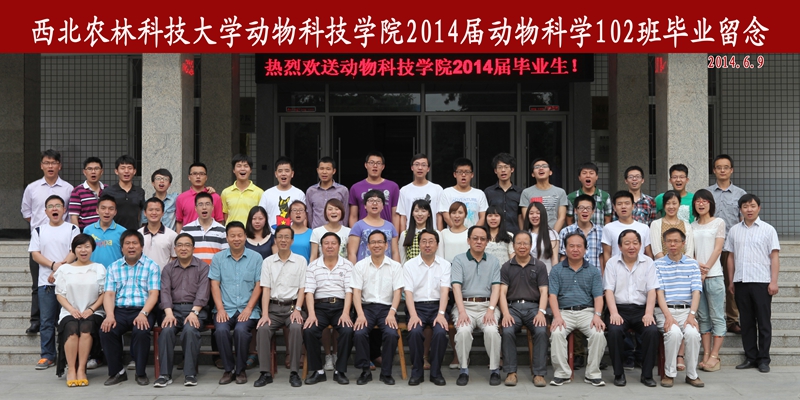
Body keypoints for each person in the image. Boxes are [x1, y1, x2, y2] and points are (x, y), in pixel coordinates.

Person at [725, 194, 780, 373]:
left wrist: (774, 281)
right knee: (746, 322)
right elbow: (731, 257)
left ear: (759, 208)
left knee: (763, 322)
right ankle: (750, 357)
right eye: (745, 206)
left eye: (752, 206)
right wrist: (731, 280)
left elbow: (774, 256)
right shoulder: (734, 230)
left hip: (762, 282)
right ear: (740, 209)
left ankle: (763, 359)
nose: (749, 209)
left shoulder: (768, 230)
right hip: (741, 281)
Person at [21, 149, 74, 335]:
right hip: (40, 244)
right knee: (37, 284)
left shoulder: (68, 189)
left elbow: (70, 214)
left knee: (62, 282)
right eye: (46, 163)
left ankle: (61, 318)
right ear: (41, 165)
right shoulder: (32, 188)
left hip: (62, 244)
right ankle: (36, 320)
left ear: (60, 166)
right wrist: (43, 229)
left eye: (53, 163)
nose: (50, 166)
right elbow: (27, 213)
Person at [99, 230, 160, 386]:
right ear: (122, 247)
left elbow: (153, 294)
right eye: (127, 243)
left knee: (141, 330)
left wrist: (143, 313)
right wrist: (109, 315)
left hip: (143, 309)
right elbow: (109, 294)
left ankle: (140, 372)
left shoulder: (152, 266)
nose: (131, 247)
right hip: (120, 310)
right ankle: (117, 372)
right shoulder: (113, 267)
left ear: (141, 246)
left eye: (134, 243)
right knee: (106, 330)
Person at [548, 231, 607, 387]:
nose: (575, 249)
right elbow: (552, 296)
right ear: (565, 248)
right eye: (571, 246)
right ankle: (562, 373)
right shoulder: (556, 270)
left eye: (579, 246)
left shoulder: (593, 271)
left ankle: (592, 374)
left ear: (585, 249)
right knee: (556, 333)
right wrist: (557, 316)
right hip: (564, 312)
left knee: (598, 334)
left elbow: (598, 297)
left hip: (587, 312)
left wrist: (597, 315)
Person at [29, 195, 79, 370]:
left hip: (68, 283)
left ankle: (68, 355)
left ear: (64, 210)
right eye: (50, 206)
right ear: (45, 211)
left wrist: (59, 269)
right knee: (47, 321)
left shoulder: (72, 228)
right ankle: (47, 355)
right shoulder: (39, 230)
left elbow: (75, 251)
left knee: (69, 320)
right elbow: (35, 254)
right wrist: (52, 265)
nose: (54, 209)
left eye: (58, 205)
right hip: (46, 283)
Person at [604, 230, 660, 387]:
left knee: (652, 331)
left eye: (635, 243)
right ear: (620, 246)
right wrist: (614, 313)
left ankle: (647, 375)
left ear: (641, 245)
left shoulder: (648, 262)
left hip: (641, 309)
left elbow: (652, 291)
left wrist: (649, 313)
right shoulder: (612, 263)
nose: (631, 246)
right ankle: (619, 373)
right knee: (614, 331)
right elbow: (608, 290)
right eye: (627, 243)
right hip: (618, 308)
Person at [209, 221, 263, 385]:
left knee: (241, 331)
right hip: (225, 308)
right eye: (232, 236)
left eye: (240, 235)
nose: (236, 239)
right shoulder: (218, 258)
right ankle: (228, 369)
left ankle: (240, 370)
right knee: (221, 330)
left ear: (245, 236)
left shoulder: (256, 258)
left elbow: (259, 285)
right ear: (227, 238)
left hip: (249, 309)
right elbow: (214, 284)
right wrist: (220, 309)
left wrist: (249, 308)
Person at [255, 225, 308, 388]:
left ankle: (294, 372)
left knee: (296, 327)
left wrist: (298, 309)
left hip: (293, 307)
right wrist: (265, 314)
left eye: (286, 237)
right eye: (280, 237)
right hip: (273, 309)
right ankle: (265, 373)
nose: (283, 240)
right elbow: (265, 289)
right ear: (275, 240)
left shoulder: (301, 261)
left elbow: (302, 288)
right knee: (263, 328)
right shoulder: (268, 262)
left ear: (292, 240)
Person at [154, 233, 209, 388]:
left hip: (196, 309)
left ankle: (190, 374)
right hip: (173, 310)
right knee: (166, 331)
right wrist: (168, 313)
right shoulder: (168, 268)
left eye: (187, 245)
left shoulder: (203, 267)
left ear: (193, 248)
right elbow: (165, 292)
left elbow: (203, 293)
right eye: (180, 245)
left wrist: (194, 312)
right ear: (175, 248)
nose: (183, 248)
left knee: (190, 330)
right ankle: (165, 375)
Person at [451, 225, 502, 387]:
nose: (479, 242)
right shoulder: (459, 260)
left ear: (487, 242)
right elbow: (456, 287)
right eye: (475, 238)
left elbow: (496, 287)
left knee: (492, 331)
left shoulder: (494, 261)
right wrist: (461, 311)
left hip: (487, 305)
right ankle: (463, 370)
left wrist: (491, 309)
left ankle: (494, 370)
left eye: (482, 239)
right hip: (465, 305)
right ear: (468, 240)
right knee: (463, 331)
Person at [351, 230, 404, 386]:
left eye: (380, 242)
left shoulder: (395, 266)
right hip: (366, 308)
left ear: (386, 245)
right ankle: (365, 371)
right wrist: (360, 314)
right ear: (368, 246)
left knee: (391, 334)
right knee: (359, 333)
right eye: (373, 242)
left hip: (387, 309)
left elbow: (397, 292)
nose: (376, 245)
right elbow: (356, 292)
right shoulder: (360, 266)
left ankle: (386, 373)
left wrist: (392, 312)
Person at [303, 232, 355, 385]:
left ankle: (340, 371)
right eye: (326, 243)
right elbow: (309, 292)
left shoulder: (347, 265)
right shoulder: (313, 266)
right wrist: (311, 314)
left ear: (339, 246)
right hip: (320, 307)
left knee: (347, 330)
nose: (330, 246)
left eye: (333, 243)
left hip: (341, 306)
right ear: (321, 246)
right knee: (309, 330)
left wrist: (346, 313)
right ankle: (318, 371)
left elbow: (349, 291)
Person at [654, 228, 704, 388]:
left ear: (683, 243)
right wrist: (668, 316)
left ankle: (692, 374)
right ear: (664, 243)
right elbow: (659, 293)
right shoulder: (657, 264)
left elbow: (696, 292)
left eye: (676, 241)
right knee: (674, 333)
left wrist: (692, 315)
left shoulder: (692, 264)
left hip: (686, 311)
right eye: (669, 241)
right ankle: (669, 374)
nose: (672, 244)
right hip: (665, 311)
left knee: (693, 334)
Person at [53, 234, 106, 387]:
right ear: (74, 250)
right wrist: (71, 309)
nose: (83, 250)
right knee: (71, 327)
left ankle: (82, 369)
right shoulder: (64, 269)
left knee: (86, 327)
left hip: (94, 311)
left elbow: (104, 293)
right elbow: (59, 294)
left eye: (87, 247)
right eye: (79, 247)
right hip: (69, 311)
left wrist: (91, 309)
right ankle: (71, 369)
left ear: (92, 249)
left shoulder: (99, 268)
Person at [499, 231, 549, 387]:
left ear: (531, 245)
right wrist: (505, 313)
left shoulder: (539, 266)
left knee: (541, 330)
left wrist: (541, 312)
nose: (522, 246)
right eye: (518, 243)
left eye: (525, 243)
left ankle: (539, 373)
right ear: (513, 246)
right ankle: (511, 372)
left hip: (534, 307)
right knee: (507, 330)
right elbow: (502, 293)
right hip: (513, 308)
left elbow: (544, 291)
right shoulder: (506, 266)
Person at [403, 229, 451, 387]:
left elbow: (444, 291)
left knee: (440, 332)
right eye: (424, 241)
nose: (427, 245)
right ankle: (417, 372)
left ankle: (436, 372)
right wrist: (413, 315)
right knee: (415, 331)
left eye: (431, 241)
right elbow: (408, 293)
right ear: (419, 244)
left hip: (438, 306)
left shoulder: (444, 265)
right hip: (417, 307)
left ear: (437, 245)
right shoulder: (409, 265)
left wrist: (441, 314)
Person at [707, 154, 747, 334]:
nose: (722, 170)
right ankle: (709, 318)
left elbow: (743, 221)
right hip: (710, 247)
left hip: (732, 246)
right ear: (714, 170)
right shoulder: (707, 193)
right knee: (710, 284)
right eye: (718, 167)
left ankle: (732, 320)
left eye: (726, 167)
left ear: (731, 170)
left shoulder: (740, 194)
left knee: (732, 284)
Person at [691, 189, 727, 372]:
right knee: (703, 317)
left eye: (704, 200)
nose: (701, 203)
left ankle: (715, 355)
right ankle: (705, 354)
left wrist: (705, 270)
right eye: (698, 201)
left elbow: (718, 249)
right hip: (697, 277)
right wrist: (698, 268)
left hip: (714, 276)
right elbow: (690, 252)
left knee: (717, 316)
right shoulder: (692, 225)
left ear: (710, 203)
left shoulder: (719, 222)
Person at [602, 191, 653, 272]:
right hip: (617, 271)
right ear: (614, 207)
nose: (623, 207)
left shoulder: (644, 228)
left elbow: (649, 253)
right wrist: (608, 272)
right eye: (619, 204)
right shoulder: (608, 228)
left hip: (640, 272)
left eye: (627, 203)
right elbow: (606, 254)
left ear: (633, 206)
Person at [348, 152, 400, 228]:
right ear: (366, 165)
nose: (375, 166)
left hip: (386, 230)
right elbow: (353, 216)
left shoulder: (393, 186)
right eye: (371, 163)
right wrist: (354, 233)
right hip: (363, 231)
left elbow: (395, 215)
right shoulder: (356, 187)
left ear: (383, 166)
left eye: (378, 163)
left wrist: (395, 234)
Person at [348, 189, 400, 263]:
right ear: (365, 206)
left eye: (378, 201)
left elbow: (395, 252)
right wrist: (354, 269)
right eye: (371, 200)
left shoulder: (390, 226)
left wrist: (397, 268)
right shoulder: (358, 226)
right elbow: (352, 253)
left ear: (383, 206)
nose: (374, 203)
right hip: (364, 268)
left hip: (386, 267)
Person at [396, 153, 444, 231]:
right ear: (412, 167)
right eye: (417, 164)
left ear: (428, 168)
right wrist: (403, 236)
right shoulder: (404, 190)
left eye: (423, 165)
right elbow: (403, 216)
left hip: (431, 234)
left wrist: (439, 235)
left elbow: (439, 215)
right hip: (411, 234)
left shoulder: (437, 189)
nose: (420, 168)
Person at [520, 157, 569, 232]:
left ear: (550, 172)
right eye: (537, 167)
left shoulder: (560, 192)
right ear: (533, 174)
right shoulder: (526, 192)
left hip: (554, 234)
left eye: (544, 166)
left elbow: (561, 218)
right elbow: (526, 217)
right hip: (534, 234)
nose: (541, 168)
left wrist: (553, 234)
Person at [438, 158, 488, 229]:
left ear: (472, 175)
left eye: (467, 172)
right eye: (460, 172)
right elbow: (446, 216)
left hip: (474, 234)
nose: (463, 175)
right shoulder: (447, 193)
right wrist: (459, 231)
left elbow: (483, 217)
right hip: (453, 234)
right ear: (455, 174)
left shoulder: (480, 194)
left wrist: (473, 232)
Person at [558, 195, 604, 272]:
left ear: (593, 211)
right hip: (573, 276)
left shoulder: (601, 232)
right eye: (581, 208)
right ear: (575, 210)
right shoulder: (566, 232)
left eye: (588, 208)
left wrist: (602, 277)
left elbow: (602, 257)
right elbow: (563, 257)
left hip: (595, 276)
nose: (585, 211)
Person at [180, 192, 228, 265]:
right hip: (193, 271)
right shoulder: (186, 230)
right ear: (196, 208)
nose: (204, 207)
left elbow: (225, 256)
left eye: (207, 204)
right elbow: (182, 254)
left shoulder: (222, 231)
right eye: (200, 204)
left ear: (212, 207)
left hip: (214, 271)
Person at [174, 162, 223, 233]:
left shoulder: (215, 197)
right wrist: (180, 238)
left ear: (206, 177)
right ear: (189, 177)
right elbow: (179, 221)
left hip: (210, 237)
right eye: (194, 174)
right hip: (188, 236)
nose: (198, 177)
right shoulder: (181, 198)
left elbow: (219, 220)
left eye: (201, 174)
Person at [259, 156, 306, 228]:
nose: (283, 174)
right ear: (276, 174)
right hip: (272, 233)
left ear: (292, 174)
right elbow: (261, 216)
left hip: (294, 234)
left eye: (287, 171)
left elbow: (304, 218)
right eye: (280, 171)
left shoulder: (299, 194)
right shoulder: (267, 194)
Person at [103, 155, 145, 231]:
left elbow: (142, 213)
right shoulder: (108, 191)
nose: (126, 171)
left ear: (134, 171)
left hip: (133, 232)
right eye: (122, 168)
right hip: (113, 232)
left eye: (129, 168)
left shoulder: (140, 191)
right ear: (116, 171)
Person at [306, 156, 350, 229]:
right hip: (317, 231)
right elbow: (310, 215)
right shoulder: (311, 191)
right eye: (321, 169)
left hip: (337, 231)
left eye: (328, 169)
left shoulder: (343, 190)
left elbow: (345, 213)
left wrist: (343, 230)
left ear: (334, 171)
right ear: (317, 170)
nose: (324, 172)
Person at [484, 153, 523, 233]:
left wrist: (522, 233)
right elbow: (485, 215)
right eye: (500, 167)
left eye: (506, 167)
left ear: (512, 169)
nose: (503, 170)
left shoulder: (520, 192)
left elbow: (521, 216)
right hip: (494, 235)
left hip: (515, 234)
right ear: (495, 171)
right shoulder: (488, 192)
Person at [650, 190, 695, 259]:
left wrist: (681, 263)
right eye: (668, 203)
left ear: (679, 205)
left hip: (684, 264)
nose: (671, 207)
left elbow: (689, 251)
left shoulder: (687, 226)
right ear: (664, 205)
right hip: (662, 264)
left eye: (674, 203)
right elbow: (657, 250)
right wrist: (668, 263)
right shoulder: (655, 224)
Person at [221, 154, 264, 225]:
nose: (242, 169)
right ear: (233, 170)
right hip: (232, 231)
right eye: (239, 166)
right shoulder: (226, 192)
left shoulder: (260, 192)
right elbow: (226, 215)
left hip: (251, 231)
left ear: (251, 170)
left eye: (246, 166)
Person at [83, 195, 125, 268]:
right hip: (92, 271)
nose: (107, 212)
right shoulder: (88, 230)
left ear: (115, 212)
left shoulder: (123, 231)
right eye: (103, 208)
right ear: (97, 210)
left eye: (111, 209)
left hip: (115, 272)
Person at [566, 162, 612, 227]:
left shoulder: (605, 196)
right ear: (579, 177)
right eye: (584, 173)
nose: (588, 176)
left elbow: (608, 218)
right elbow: (569, 219)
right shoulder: (571, 196)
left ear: (596, 177)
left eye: (591, 173)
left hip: (599, 232)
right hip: (578, 232)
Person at [138, 197, 177, 270]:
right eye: (151, 210)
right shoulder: (138, 234)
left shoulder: (172, 235)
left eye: (157, 210)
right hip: (142, 275)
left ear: (163, 213)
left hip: (164, 276)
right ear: (145, 213)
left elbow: (174, 258)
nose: (154, 213)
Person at [68, 157, 106, 230]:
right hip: (85, 233)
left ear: (102, 171)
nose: (93, 172)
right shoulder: (77, 191)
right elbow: (74, 217)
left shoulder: (107, 189)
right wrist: (78, 234)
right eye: (89, 169)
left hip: (105, 232)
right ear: (84, 172)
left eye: (96, 168)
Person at [524, 202, 559, 271]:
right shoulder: (525, 234)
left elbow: (554, 258)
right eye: (531, 213)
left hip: (546, 273)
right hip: (527, 274)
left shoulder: (551, 234)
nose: (534, 216)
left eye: (538, 213)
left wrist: (554, 275)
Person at [399, 199, 434, 264]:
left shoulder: (435, 234)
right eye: (416, 211)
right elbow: (402, 259)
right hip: (410, 269)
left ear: (429, 214)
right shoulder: (405, 234)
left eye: (423, 211)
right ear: (412, 213)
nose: (419, 214)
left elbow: (440, 258)